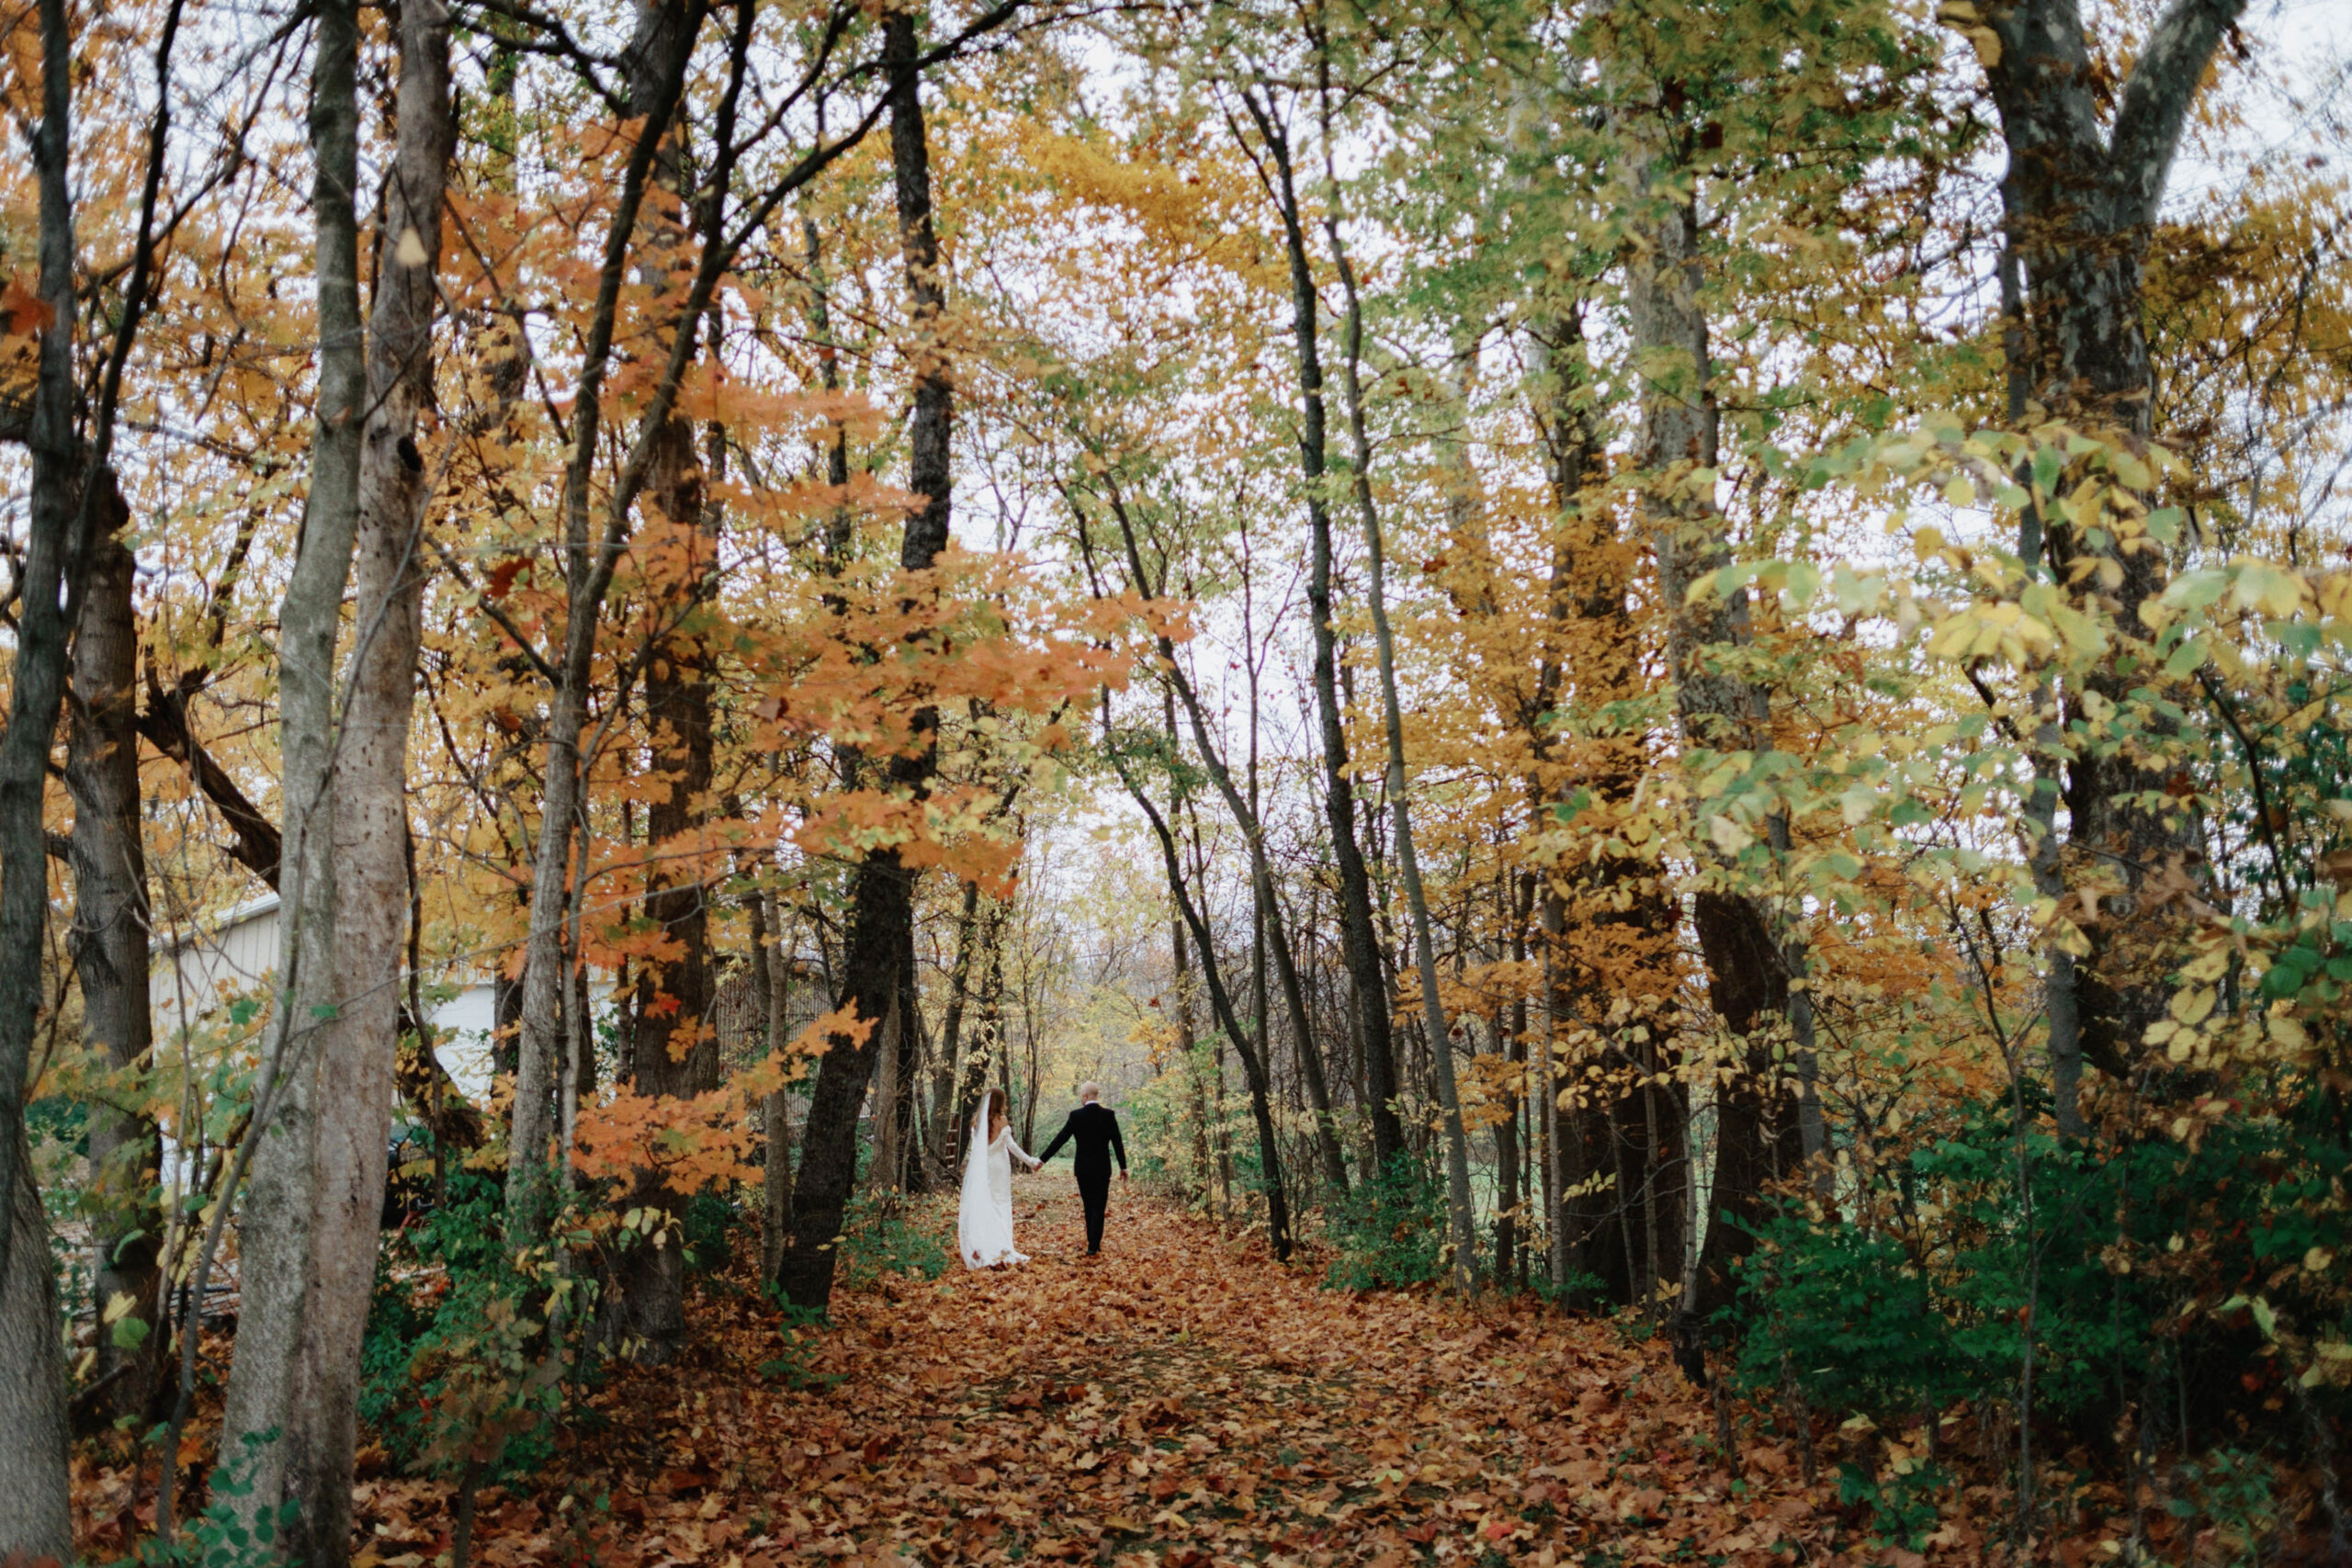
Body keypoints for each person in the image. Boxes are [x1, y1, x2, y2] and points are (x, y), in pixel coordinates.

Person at [1035, 1081, 1127, 1257]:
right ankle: (1094, 1244)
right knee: (1099, 1204)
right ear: (1095, 1096)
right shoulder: (1108, 1115)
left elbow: (1060, 1139)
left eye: (1081, 1096)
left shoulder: (1076, 1116)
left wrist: (1042, 1160)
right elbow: (1117, 1142)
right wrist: (1123, 1166)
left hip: (1083, 1168)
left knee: (1088, 1204)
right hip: (1102, 1168)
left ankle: (1092, 1243)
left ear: (1085, 1097)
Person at [957, 1088, 1039, 1269]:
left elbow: (976, 1150)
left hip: (983, 1167)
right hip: (999, 1167)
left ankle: (984, 1244)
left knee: (986, 1203)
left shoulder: (977, 1122)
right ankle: (1003, 1246)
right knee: (1001, 1203)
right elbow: (1012, 1147)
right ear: (1000, 1101)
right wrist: (1031, 1161)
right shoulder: (1001, 1120)